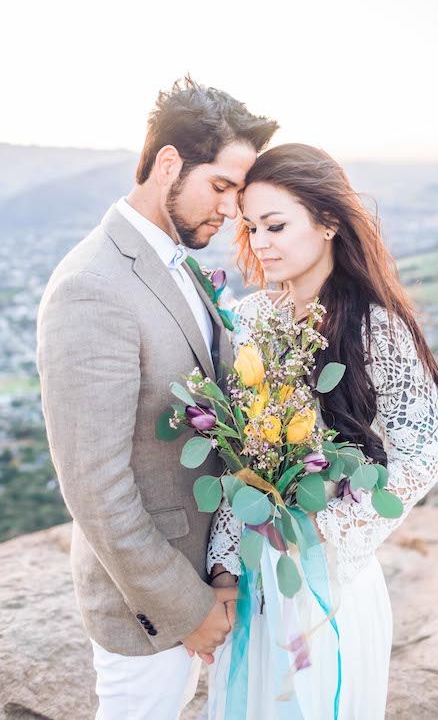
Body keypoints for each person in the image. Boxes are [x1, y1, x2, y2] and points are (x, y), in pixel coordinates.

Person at [36, 76, 278, 719]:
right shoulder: (93, 285)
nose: (231, 212)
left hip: (207, 578)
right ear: (168, 163)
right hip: (147, 608)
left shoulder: (177, 259)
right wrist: (188, 607)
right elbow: (95, 486)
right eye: (221, 187)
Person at [206, 144, 438, 719]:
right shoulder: (249, 319)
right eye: (251, 227)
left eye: (275, 225)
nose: (260, 242)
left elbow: (420, 455)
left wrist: (325, 524)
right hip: (253, 572)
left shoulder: (377, 328)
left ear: (328, 223)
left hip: (331, 575)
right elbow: (232, 454)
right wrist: (223, 565)